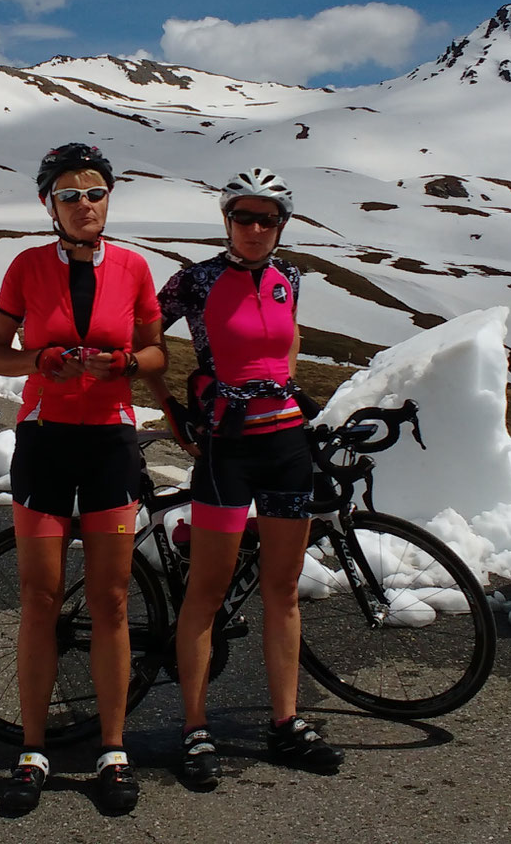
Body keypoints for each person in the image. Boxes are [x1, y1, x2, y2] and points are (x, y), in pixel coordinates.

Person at [0, 142, 167, 816]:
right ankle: (32, 750)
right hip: (45, 443)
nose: (85, 205)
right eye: (69, 195)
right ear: (48, 205)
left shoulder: (135, 267)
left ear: (110, 198)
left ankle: (113, 749)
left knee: (113, 600)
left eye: (95, 192)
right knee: (40, 597)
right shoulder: (27, 268)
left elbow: (156, 351)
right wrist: (41, 357)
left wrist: (123, 365)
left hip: (110, 445)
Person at [146, 167, 345, 790]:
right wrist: (169, 404)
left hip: (285, 444)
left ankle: (286, 722)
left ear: (281, 225)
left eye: (267, 218)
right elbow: (144, 336)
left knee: (282, 591)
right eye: (244, 217)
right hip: (226, 449)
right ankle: (195, 727)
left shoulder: (288, 280)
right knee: (206, 591)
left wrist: (283, 383)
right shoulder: (197, 279)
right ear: (227, 220)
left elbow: (288, 343)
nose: (255, 228)